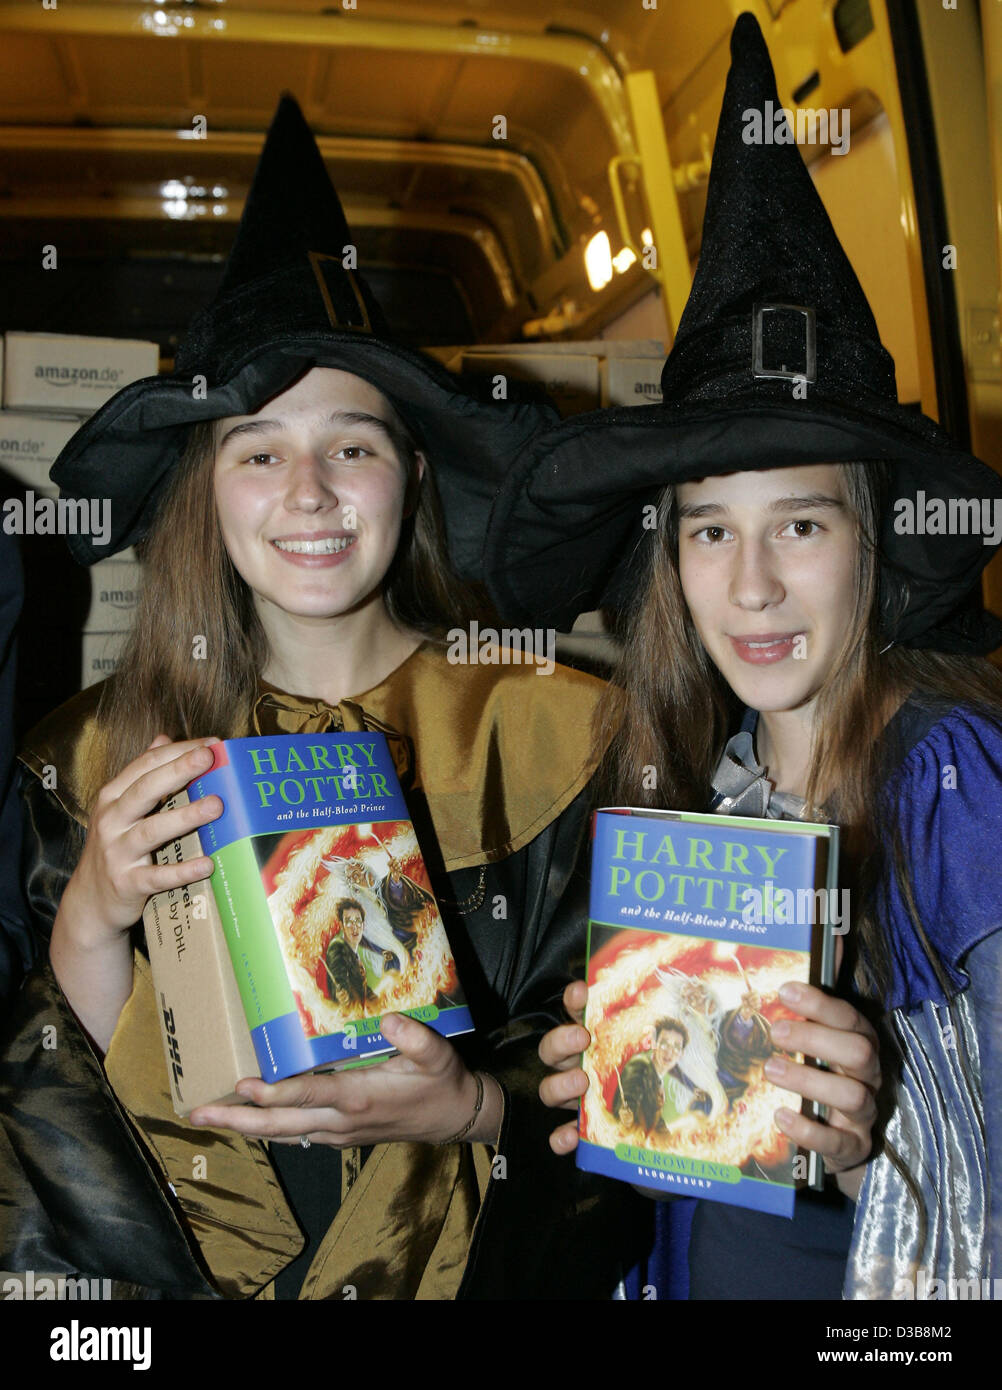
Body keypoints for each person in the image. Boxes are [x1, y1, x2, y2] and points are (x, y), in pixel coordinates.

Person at [0, 96, 650, 1300]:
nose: (308, 491)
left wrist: (473, 1109)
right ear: (206, 489)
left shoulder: (565, 735)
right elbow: (64, 1130)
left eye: (350, 444)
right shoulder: (86, 754)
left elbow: (647, 1106)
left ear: (411, 472)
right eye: (258, 450)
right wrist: (90, 917)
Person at [487, 13, 1002, 1299]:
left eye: (803, 523)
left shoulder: (955, 783)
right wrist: (601, 1076)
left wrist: (878, 1136)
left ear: (872, 539)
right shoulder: (686, 787)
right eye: (711, 527)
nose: (753, 583)